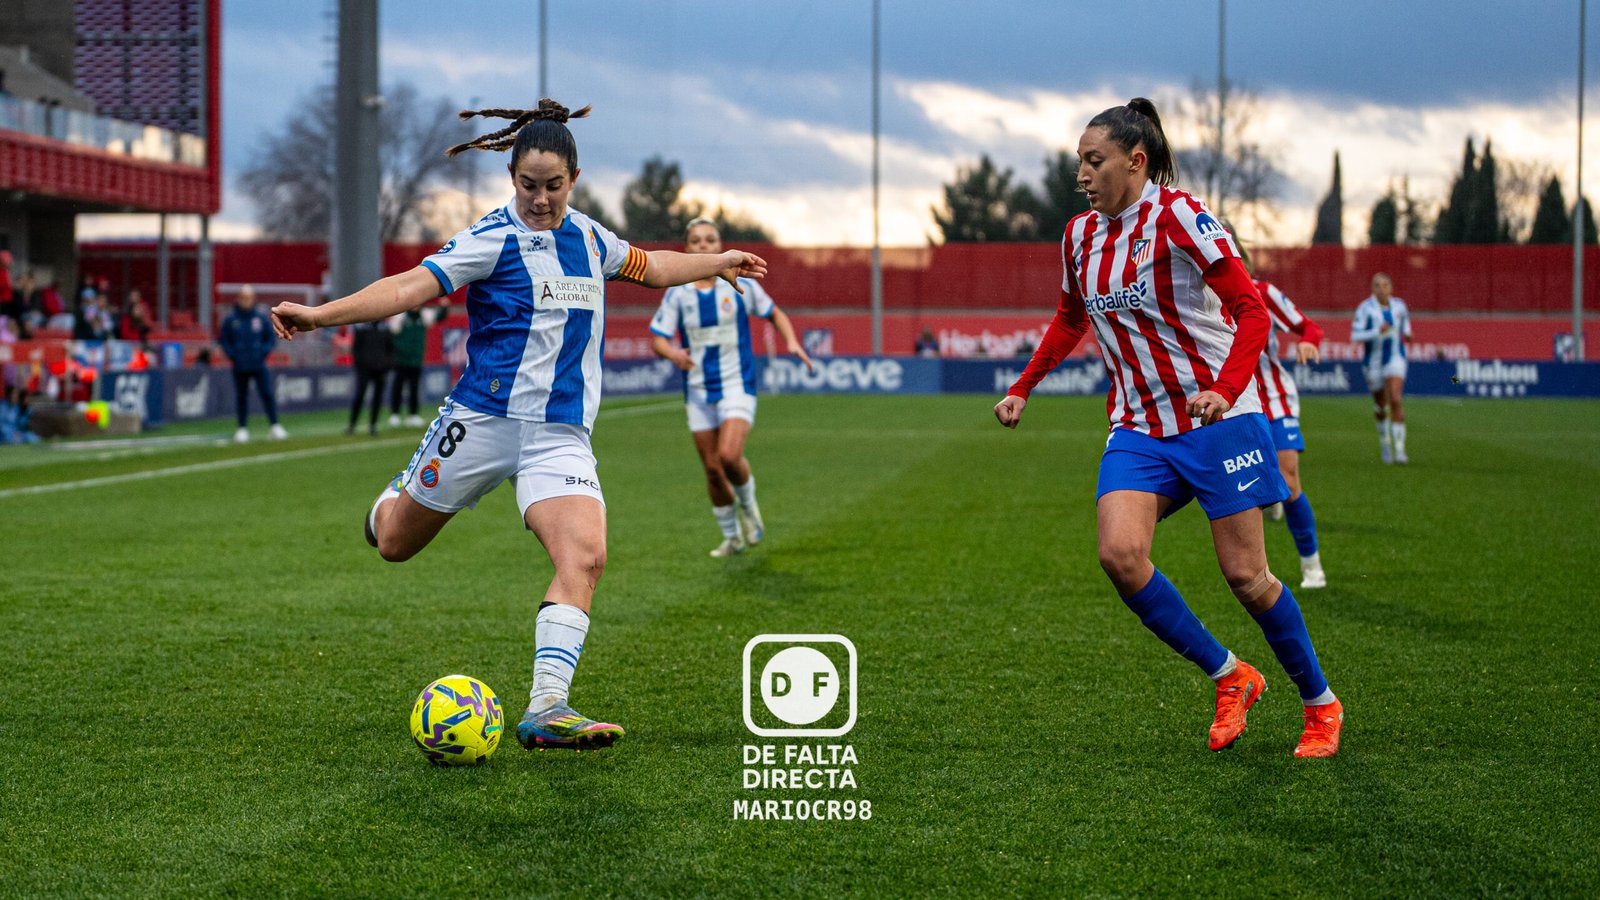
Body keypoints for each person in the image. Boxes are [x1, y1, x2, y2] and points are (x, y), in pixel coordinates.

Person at [268, 99, 769, 753]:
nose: (539, 198)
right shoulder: (492, 237)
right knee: (393, 542)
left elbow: (651, 267)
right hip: (482, 421)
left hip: (558, 435)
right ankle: (387, 505)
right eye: (528, 184)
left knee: (585, 556)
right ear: (513, 178)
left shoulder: (591, 239)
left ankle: (548, 707)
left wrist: (717, 261)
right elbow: (407, 289)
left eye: (552, 185)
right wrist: (321, 315)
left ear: (575, 179)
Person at [992, 98, 1343, 757]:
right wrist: (1023, 386)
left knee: (1247, 577)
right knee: (1119, 556)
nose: (1083, 176)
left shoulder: (1180, 216)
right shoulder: (1078, 237)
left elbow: (1251, 312)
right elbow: (1071, 318)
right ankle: (1230, 675)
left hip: (1219, 421)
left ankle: (1321, 704)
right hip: (1138, 426)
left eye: (1094, 162)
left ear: (1137, 160)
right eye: (1079, 164)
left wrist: (1224, 388)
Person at [649, 217, 815, 557]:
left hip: (737, 384)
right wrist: (673, 354)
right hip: (697, 392)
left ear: (720, 245)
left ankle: (750, 508)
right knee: (712, 471)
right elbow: (658, 339)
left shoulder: (741, 285)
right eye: (696, 241)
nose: (704, 246)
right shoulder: (678, 293)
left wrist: (792, 342)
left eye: (710, 240)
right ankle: (732, 536)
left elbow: (774, 314)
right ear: (687, 248)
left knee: (728, 456)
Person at [1248, 276, 1328, 589]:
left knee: (1290, 478)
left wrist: (1310, 341)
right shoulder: (1191, 291)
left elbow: (1309, 327)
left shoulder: (1262, 292)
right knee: (1244, 489)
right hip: (1233, 404)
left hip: (1275, 399)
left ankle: (1312, 566)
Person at [1351, 272, 1411, 464]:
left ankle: (1400, 450)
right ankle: (1385, 444)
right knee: (1380, 405)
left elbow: (1407, 330)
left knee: (1395, 398)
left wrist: (1408, 336)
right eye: (1377, 285)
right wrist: (1377, 331)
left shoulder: (1400, 306)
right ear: (1373, 288)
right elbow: (1355, 336)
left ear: (1391, 288)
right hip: (1373, 362)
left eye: (1385, 285)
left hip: (1396, 358)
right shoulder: (1365, 309)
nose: (1382, 289)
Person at [218, 284, 288, 442]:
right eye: (243, 297)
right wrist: (233, 355)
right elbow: (224, 340)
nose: (246, 300)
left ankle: (275, 425)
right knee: (241, 396)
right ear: (239, 298)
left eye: (249, 297)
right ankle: (242, 428)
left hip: (258, 363)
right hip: (239, 364)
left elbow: (270, 339)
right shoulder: (231, 320)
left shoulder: (260, 317)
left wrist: (261, 353)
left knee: (267, 393)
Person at [388, 307, 433, 428]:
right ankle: (395, 414)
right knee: (398, 387)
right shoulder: (401, 316)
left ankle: (413, 414)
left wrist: (444, 306)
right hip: (401, 360)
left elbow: (439, 316)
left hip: (416, 360)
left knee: (414, 388)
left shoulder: (423, 316)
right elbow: (392, 333)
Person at [345, 321, 392, 436]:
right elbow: (356, 348)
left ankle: (373, 425)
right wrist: (359, 366)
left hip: (380, 368)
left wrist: (387, 365)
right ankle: (352, 424)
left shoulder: (385, 328)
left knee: (377, 397)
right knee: (360, 395)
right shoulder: (362, 327)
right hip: (364, 368)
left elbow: (390, 348)